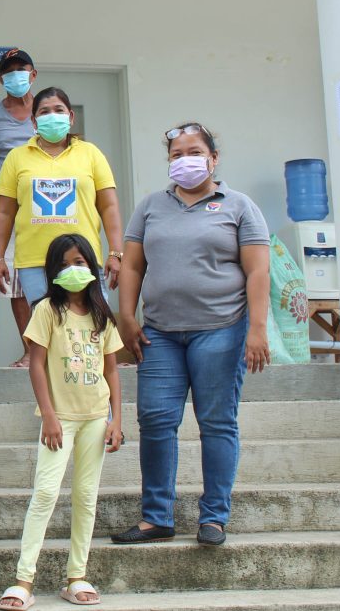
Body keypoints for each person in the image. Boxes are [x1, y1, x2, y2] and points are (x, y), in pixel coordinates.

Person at [111, 122, 270, 547]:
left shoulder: (238, 205)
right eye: (176, 154)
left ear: (214, 158)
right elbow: (131, 265)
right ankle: (156, 517)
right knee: (156, 420)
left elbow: (258, 270)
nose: (185, 160)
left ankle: (214, 517)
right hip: (160, 333)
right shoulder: (149, 207)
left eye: (194, 151)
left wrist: (256, 329)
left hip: (221, 330)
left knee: (216, 422)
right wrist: (126, 316)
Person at [0, 234, 123, 610]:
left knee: (86, 497)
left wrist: (117, 418)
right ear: (54, 270)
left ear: (93, 268)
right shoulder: (46, 311)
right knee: (46, 494)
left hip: (96, 419)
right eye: (66, 263)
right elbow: (36, 364)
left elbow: (112, 371)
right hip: (60, 421)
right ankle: (23, 580)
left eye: (81, 262)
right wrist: (48, 415)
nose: (74, 270)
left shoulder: (103, 315)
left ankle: (77, 576)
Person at [0, 87, 124, 367]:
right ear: (33, 120)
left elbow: (109, 206)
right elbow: (4, 211)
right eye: (44, 111)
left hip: (83, 260)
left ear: (71, 116)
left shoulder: (91, 154)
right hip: (34, 261)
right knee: (48, 335)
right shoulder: (17, 157)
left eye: (58, 110)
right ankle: (52, 403)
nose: (52, 116)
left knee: (91, 331)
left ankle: (95, 397)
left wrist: (116, 252)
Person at [0, 48, 38, 354]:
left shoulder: (47, 113)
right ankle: (30, 350)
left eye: (21, 69)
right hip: (10, 212)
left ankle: (56, 349)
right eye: (9, 71)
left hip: (52, 209)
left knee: (58, 277)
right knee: (15, 282)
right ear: (1, 78)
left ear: (33, 74)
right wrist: (8, 194)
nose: (16, 75)